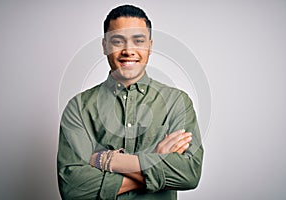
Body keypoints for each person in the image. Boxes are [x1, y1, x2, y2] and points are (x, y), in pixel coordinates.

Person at [57, 4, 203, 200]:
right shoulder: (79, 108)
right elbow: (73, 189)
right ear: (105, 46)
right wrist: (156, 161)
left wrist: (108, 160)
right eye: (118, 41)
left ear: (150, 46)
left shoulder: (177, 102)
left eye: (138, 41)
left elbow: (189, 174)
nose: (129, 50)